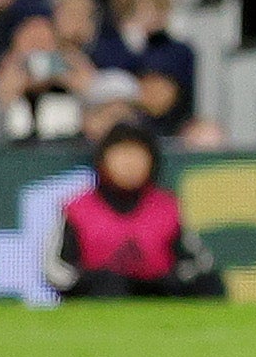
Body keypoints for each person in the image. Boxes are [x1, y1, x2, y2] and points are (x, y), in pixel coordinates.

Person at [52, 120, 224, 298]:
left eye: (138, 155)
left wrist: (168, 280)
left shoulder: (166, 207)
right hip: (97, 300)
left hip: (160, 297)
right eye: (121, 155)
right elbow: (56, 269)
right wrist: (89, 281)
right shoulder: (79, 208)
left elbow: (198, 262)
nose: (130, 164)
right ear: (103, 160)